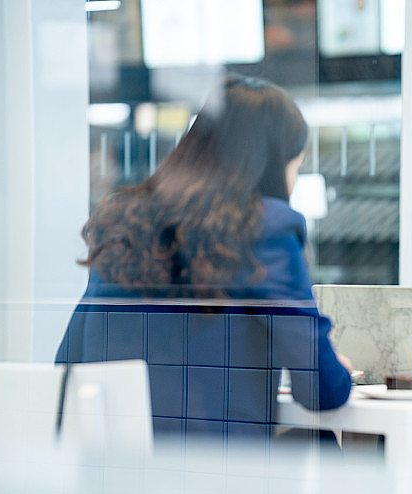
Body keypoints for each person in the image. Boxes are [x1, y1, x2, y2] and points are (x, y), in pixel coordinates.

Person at [56, 76, 351, 440]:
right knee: (317, 440)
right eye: (296, 166)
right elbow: (322, 392)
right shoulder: (266, 227)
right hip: (213, 475)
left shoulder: (124, 222)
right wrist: (335, 369)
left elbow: (68, 359)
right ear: (276, 164)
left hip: (116, 472)